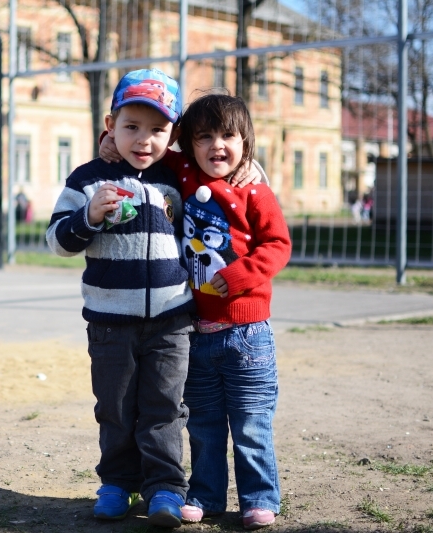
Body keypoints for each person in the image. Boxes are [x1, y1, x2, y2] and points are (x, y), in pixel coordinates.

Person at [46, 68, 197, 528]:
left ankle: (165, 488)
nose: (143, 139)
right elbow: (56, 241)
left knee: (165, 408)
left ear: (173, 136)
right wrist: (88, 218)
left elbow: (225, 171)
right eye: (131, 126)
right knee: (115, 408)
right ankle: (116, 483)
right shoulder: (88, 178)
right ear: (110, 126)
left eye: (157, 130)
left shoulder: (177, 176)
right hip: (110, 323)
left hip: (172, 321)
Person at [165, 92, 290, 530]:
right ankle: (206, 495)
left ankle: (259, 498)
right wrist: (109, 140)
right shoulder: (183, 175)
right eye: (204, 137)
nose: (217, 145)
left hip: (247, 333)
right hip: (198, 333)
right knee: (203, 424)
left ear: (245, 143)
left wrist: (240, 275)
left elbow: (278, 245)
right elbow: (150, 146)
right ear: (188, 144)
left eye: (229, 136)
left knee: (251, 423)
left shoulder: (254, 190)